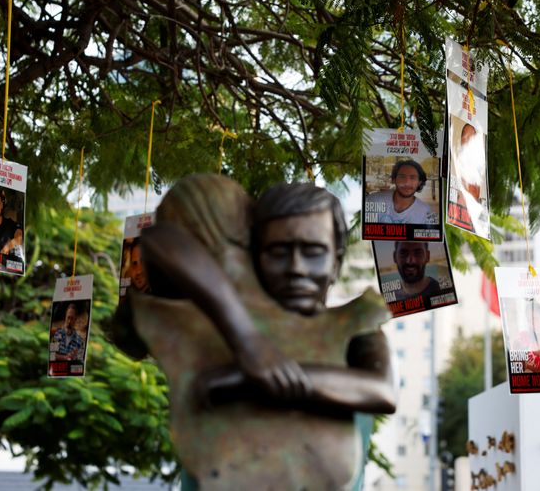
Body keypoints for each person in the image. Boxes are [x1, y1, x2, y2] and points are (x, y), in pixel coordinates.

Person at [132, 175, 395, 489]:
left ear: (336, 263)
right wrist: (248, 341)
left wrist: (244, 380)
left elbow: (381, 390)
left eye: (313, 252)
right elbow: (159, 240)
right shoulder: (220, 320)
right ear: (254, 257)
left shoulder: (352, 324)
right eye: (278, 251)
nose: (296, 267)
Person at [366, 160, 437, 225]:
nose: (407, 183)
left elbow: (430, 237)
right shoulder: (373, 200)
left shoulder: (427, 210)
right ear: (394, 179)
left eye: (413, 177)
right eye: (402, 177)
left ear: (419, 182)